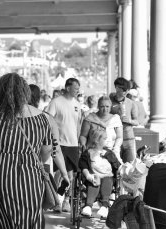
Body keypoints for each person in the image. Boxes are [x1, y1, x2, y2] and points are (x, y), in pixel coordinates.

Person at [0, 73, 68, 228]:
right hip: (31, 175)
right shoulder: (42, 118)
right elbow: (48, 149)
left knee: (3, 220)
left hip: (2, 175)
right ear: (25, 92)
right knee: (31, 217)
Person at [47, 78, 83, 212]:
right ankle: (56, 200)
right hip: (59, 143)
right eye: (75, 88)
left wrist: (79, 140)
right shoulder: (56, 102)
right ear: (68, 88)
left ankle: (66, 200)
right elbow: (48, 120)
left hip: (73, 144)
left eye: (78, 88)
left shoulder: (77, 104)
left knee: (70, 175)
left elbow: (78, 123)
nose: (77, 91)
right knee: (58, 173)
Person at [79, 129, 121, 218]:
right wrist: (88, 175)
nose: (107, 140)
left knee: (107, 179)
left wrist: (109, 158)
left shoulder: (109, 153)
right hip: (93, 176)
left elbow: (117, 166)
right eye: (105, 138)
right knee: (94, 180)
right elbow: (83, 166)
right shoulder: (88, 153)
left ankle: (104, 206)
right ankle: (88, 206)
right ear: (97, 140)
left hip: (108, 176)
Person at [29, 84, 69, 175]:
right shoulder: (47, 118)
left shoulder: (12, 117)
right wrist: (64, 173)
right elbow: (56, 149)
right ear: (38, 99)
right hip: (42, 166)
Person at [80, 96, 123, 163]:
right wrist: (83, 145)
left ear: (110, 106)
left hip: (112, 153)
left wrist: (116, 148)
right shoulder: (90, 118)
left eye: (107, 106)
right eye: (102, 106)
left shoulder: (115, 119)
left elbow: (119, 137)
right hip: (93, 153)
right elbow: (83, 135)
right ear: (98, 106)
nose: (105, 109)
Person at [110, 77, 139, 163]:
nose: (125, 92)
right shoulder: (109, 102)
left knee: (130, 166)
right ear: (116, 87)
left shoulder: (131, 103)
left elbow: (137, 122)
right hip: (114, 139)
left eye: (127, 90)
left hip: (129, 139)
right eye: (123, 90)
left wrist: (129, 120)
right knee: (115, 166)